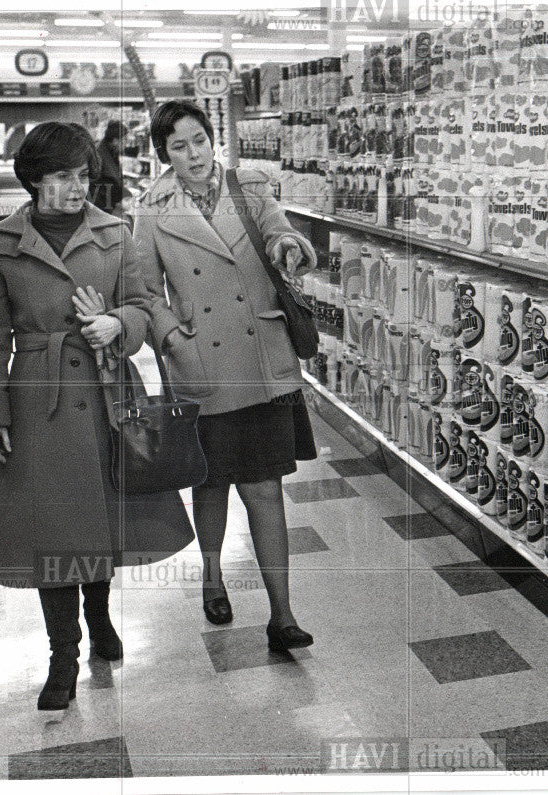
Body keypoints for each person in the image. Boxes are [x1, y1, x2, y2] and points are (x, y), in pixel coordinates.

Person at [0, 122, 195, 711]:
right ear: (35, 179)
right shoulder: (1, 241)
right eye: (65, 176)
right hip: (37, 401)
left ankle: (99, 618)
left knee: (100, 513)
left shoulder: (115, 233)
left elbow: (146, 306)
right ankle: (62, 656)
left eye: (84, 175)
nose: (79, 188)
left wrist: (120, 324)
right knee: (54, 529)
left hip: (106, 396)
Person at [133, 100, 317, 650]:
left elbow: (280, 231)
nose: (193, 154)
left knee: (265, 488)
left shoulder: (250, 186)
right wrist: (172, 339)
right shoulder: (151, 209)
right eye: (178, 146)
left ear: (214, 139)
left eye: (199, 141)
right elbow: (145, 291)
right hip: (201, 363)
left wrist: (289, 246)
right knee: (210, 484)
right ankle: (212, 574)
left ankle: (282, 614)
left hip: (261, 358)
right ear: (163, 154)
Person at [89, 119, 131, 216]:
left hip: (107, 206)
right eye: (125, 140)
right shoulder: (99, 154)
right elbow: (99, 185)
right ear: (116, 141)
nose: (126, 144)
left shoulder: (110, 151)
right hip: (100, 209)